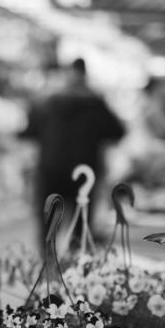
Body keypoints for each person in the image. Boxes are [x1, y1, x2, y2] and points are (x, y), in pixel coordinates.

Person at [21, 58, 125, 246]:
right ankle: (73, 269)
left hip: (50, 173)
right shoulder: (96, 104)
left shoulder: (45, 102)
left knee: (49, 229)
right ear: (85, 76)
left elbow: (28, 133)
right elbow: (117, 132)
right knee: (79, 229)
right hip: (84, 174)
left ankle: (49, 268)